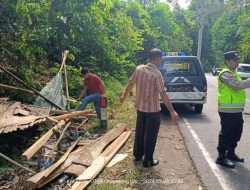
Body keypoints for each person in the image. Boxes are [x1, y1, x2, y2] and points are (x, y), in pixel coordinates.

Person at [120, 48, 178, 168]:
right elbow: (163, 94)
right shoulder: (157, 74)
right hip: (153, 111)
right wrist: (172, 111)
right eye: (160, 58)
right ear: (157, 58)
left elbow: (130, 84)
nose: (161, 61)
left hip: (141, 109)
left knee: (140, 132)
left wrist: (123, 97)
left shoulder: (139, 69)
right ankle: (148, 160)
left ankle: (137, 155)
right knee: (150, 136)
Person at [216, 51, 250, 168]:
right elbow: (236, 86)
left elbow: (240, 85)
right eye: (235, 60)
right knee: (226, 133)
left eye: (237, 60)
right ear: (227, 61)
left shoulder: (234, 73)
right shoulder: (224, 74)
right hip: (226, 110)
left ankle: (231, 153)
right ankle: (221, 157)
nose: (237, 62)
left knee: (236, 132)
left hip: (236, 110)